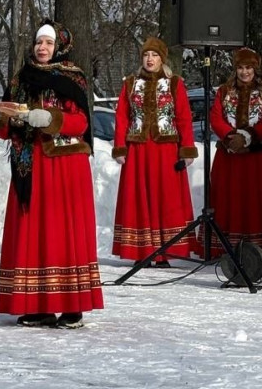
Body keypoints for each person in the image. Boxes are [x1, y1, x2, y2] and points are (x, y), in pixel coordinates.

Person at [0, 21, 103, 329]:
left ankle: (72, 306)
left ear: (59, 46)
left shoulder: (72, 77)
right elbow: (9, 128)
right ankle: (38, 306)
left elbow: (81, 122)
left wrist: (51, 118)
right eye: (39, 42)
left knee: (64, 234)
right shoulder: (21, 78)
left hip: (65, 167)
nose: (42, 48)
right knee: (33, 235)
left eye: (48, 43)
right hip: (30, 167)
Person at [111, 37, 197, 267]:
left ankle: (164, 252)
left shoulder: (174, 83)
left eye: (154, 55)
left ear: (162, 59)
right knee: (139, 199)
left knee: (165, 198)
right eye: (146, 55)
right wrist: (120, 147)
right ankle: (142, 251)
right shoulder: (131, 84)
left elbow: (184, 117)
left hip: (166, 151)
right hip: (138, 151)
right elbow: (122, 117)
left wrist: (187, 149)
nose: (150, 59)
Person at [201, 47, 262, 255]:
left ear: (255, 69)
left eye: (248, 68)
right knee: (228, 198)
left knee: (253, 198)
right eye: (241, 68)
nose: (245, 72)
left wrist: (247, 137)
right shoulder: (224, 91)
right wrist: (231, 138)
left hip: (255, 158)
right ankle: (226, 248)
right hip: (228, 157)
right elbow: (215, 117)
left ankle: (254, 249)